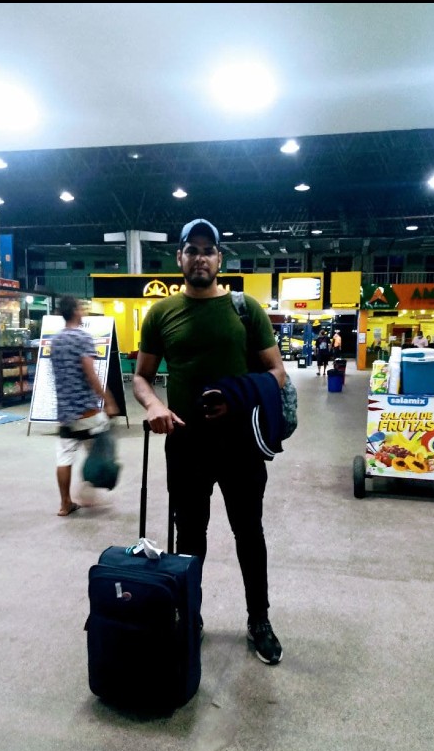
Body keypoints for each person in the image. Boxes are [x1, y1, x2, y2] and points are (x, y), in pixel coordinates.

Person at [130, 218, 290, 667]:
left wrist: (239, 399)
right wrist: (153, 406)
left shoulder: (245, 309)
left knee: (249, 535)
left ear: (220, 259)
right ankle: (190, 616)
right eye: (191, 249)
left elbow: (277, 373)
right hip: (185, 445)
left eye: (208, 249)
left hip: (240, 447)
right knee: (190, 539)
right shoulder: (161, 313)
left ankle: (259, 620)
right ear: (179, 258)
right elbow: (142, 377)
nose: (200, 257)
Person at [48, 296, 118, 517]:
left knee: (64, 456)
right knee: (103, 446)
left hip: (65, 411)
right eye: (81, 306)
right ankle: (89, 489)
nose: (84, 309)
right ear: (75, 311)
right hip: (86, 410)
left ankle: (65, 503)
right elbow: (90, 374)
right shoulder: (83, 338)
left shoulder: (56, 340)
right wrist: (108, 400)